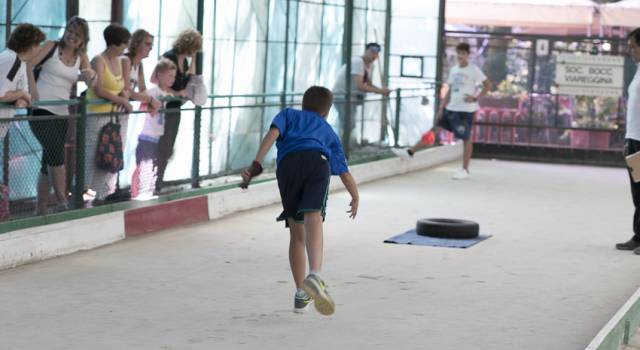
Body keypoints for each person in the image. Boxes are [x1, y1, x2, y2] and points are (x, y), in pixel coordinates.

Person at [240, 86, 359, 316]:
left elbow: (272, 135)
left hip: (288, 166)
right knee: (313, 214)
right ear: (327, 111)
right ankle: (314, 274)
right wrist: (355, 195)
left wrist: (256, 162)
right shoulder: (327, 130)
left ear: (303, 103)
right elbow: (343, 171)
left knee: (296, 232)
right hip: (317, 161)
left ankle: (300, 293)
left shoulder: (288, 115)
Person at [27, 16, 96, 214]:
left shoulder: (81, 56)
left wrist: (91, 76)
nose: (72, 36)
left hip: (61, 113)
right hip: (40, 110)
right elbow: (28, 65)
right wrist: (33, 90)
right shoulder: (51, 46)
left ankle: (40, 209)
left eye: (77, 34)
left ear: (83, 40)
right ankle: (62, 202)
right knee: (57, 156)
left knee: (48, 160)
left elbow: (90, 81)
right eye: (70, 31)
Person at [393, 43, 490, 180]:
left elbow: (488, 84)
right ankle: (410, 152)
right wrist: (442, 107)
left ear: (468, 55)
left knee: (466, 138)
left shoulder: (473, 70)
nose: (460, 56)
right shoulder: (454, 70)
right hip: (451, 108)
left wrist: (475, 98)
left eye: (463, 53)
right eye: (459, 53)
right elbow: (450, 89)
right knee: (434, 130)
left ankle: (465, 169)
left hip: (465, 111)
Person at [85, 24, 132, 205]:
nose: (125, 48)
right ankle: (83, 200)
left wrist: (124, 95)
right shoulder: (99, 60)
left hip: (112, 119)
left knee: (105, 159)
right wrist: (121, 101)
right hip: (95, 117)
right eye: (123, 44)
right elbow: (99, 89)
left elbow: (124, 88)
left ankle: (97, 197)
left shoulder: (121, 62)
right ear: (114, 43)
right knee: (90, 160)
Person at [155, 28, 202, 194]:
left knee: (168, 147)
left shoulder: (185, 61)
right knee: (162, 147)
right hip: (165, 108)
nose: (193, 52)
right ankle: (154, 183)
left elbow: (190, 77)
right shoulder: (170, 57)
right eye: (193, 48)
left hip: (176, 109)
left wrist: (194, 57)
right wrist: (176, 94)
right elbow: (159, 82)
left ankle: (158, 181)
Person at [130, 58, 176, 200]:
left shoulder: (167, 95)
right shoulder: (153, 92)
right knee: (143, 168)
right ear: (160, 75)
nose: (172, 79)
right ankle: (137, 193)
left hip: (157, 136)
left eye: (173, 76)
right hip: (147, 136)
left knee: (153, 168)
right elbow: (144, 104)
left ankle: (148, 191)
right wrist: (150, 107)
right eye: (169, 75)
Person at [332, 42, 390, 147]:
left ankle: (344, 146)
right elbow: (360, 85)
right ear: (366, 50)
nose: (374, 55)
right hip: (342, 96)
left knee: (349, 124)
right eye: (372, 52)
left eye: (376, 53)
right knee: (347, 124)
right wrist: (381, 91)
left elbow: (369, 83)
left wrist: (381, 90)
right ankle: (341, 147)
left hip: (352, 98)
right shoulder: (357, 62)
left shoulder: (371, 66)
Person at [616, 28, 640, 253]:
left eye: (633, 46)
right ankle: (639, 235)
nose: (630, 51)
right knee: (637, 190)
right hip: (633, 139)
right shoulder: (638, 70)